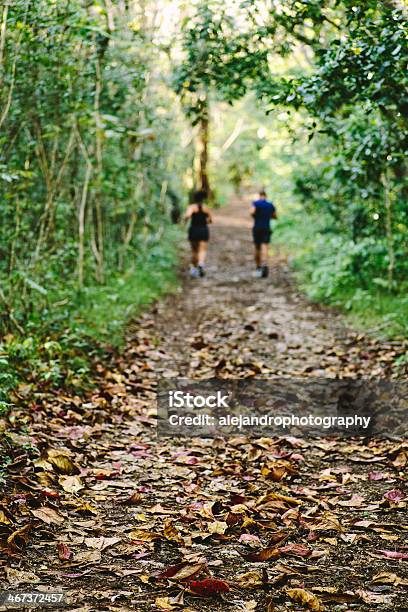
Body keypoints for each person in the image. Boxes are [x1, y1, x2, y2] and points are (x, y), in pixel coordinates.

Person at [184, 190, 212, 278]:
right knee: (202, 250)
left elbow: (187, 216)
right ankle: (201, 263)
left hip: (194, 229)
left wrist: (185, 220)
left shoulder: (191, 207)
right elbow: (210, 220)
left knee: (194, 251)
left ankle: (194, 269)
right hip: (203, 229)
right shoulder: (206, 207)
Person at [250, 188, 277, 278]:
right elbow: (275, 216)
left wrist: (256, 215)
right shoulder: (270, 205)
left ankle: (258, 267)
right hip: (266, 228)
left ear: (259, 195)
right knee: (265, 246)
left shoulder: (256, 203)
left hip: (257, 228)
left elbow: (252, 212)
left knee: (257, 248)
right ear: (266, 196)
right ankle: (265, 264)